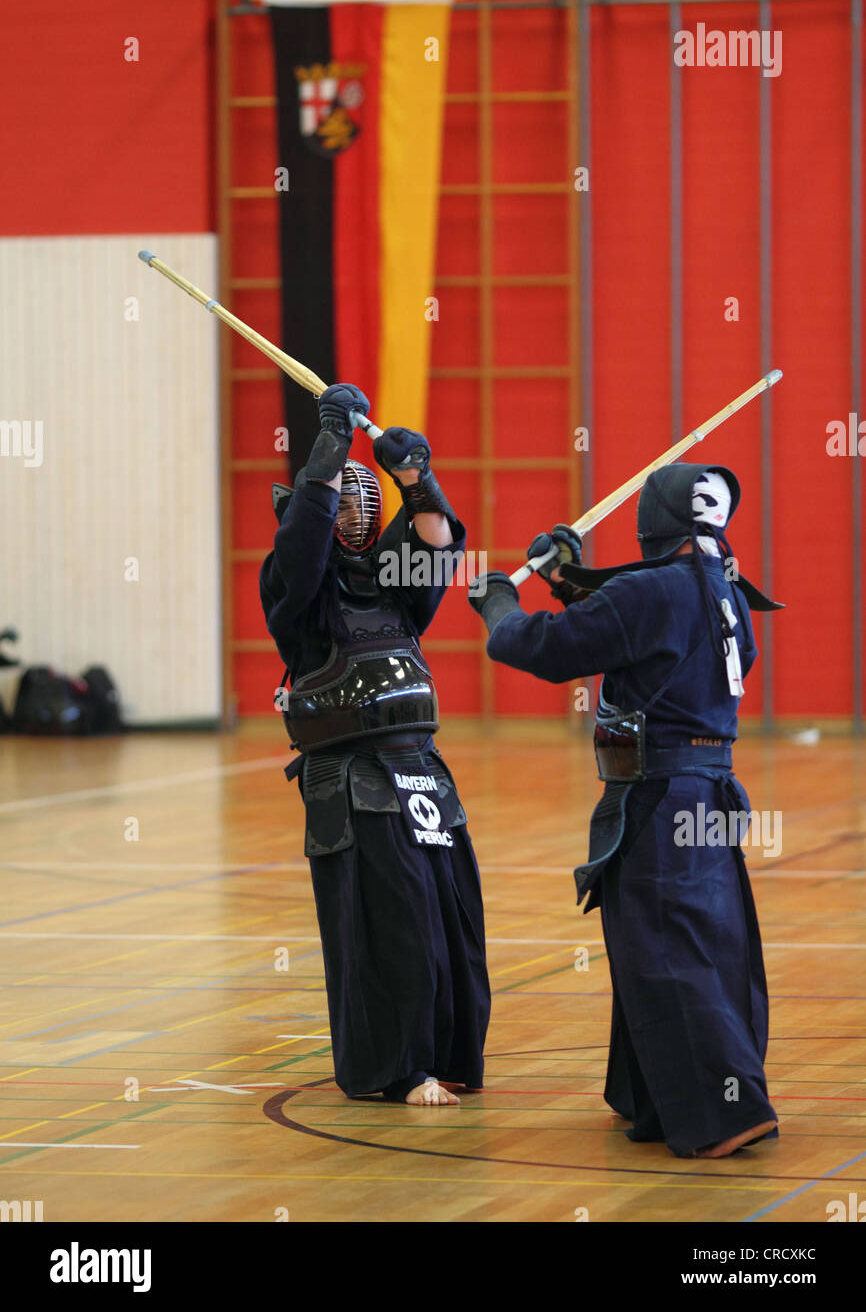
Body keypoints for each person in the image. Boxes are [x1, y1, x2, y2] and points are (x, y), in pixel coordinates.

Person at [467, 464, 782, 1158]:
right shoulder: (724, 587)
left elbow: (543, 649)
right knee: (690, 943)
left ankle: (727, 1109)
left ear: (653, 522)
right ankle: (652, 1096)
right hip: (709, 792)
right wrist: (570, 577)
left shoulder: (652, 591)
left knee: (669, 949)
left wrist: (496, 604)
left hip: (660, 795)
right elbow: (641, 621)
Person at [260, 383, 490, 1107]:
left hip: (422, 774)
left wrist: (417, 477)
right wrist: (332, 443)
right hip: (353, 780)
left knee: (451, 918)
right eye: (340, 499)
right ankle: (397, 1068)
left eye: (369, 500)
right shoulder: (298, 601)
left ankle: (447, 1053)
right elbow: (302, 546)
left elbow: (437, 543)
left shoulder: (392, 590)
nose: (356, 507)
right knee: (392, 922)